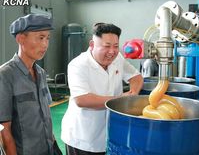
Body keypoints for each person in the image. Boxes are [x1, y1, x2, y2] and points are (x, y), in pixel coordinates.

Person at [61, 23, 143, 155]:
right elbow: (82, 100)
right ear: (92, 45)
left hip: (110, 134)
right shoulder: (78, 65)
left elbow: (136, 77)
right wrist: (121, 100)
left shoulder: (118, 59)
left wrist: (133, 93)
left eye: (116, 46)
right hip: (83, 137)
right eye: (107, 46)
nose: (112, 51)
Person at [0, 14, 59, 155]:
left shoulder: (41, 73)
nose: (45, 44)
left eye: (47, 38)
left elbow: (47, 117)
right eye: (40, 37)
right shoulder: (5, 75)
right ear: (21, 39)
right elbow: (4, 129)